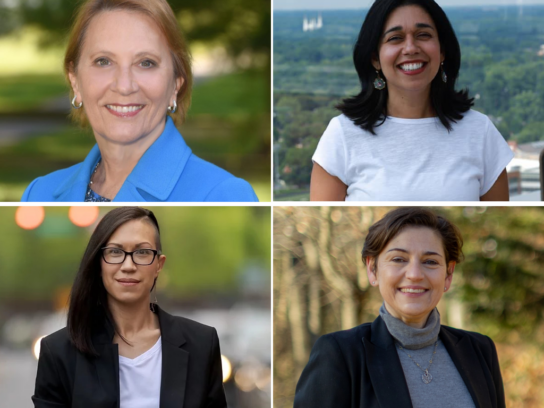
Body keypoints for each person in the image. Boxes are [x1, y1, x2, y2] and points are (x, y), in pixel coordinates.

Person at [21, 0, 259, 203]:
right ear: (75, 81)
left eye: (146, 63)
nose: (124, 86)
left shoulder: (223, 195)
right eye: (104, 61)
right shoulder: (38, 193)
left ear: (176, 84)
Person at [294, 206, 506, 408]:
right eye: (398, 259)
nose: (414, 274)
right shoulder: (340, 354)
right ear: (373, 269)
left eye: (430, 262)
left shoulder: (479, 350)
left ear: (448, 275)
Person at [310, 0, 513, 202]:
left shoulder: (480, 131)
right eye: (395, 38)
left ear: (442, 50)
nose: (410, 48)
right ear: (375, 58)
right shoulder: (342, 135)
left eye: (423, 35)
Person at [32, 206, 227, 408]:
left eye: (142, 252)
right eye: (115, 252)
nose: (128, 265)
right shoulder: (58, 352)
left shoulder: (202, 344)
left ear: (159, 265)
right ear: (99, 264)